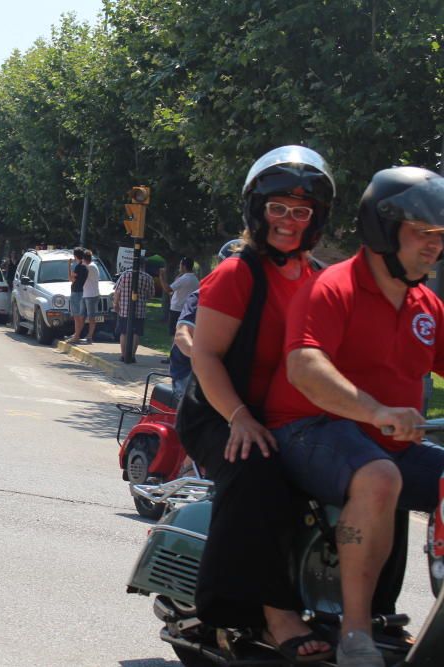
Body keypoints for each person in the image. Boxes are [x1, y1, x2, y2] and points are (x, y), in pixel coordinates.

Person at [265, 167, 444, 667]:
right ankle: (356, 635)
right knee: (379, 476)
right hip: (307, 431)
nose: (434, 246)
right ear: (384, 228)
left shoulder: (424, 303)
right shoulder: (332, 288)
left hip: (386, 442)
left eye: (441, 237)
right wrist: (377, 410)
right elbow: (305, 366)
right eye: (423, 233)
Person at [185, 145, 336, 662]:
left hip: (293, 417)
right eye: (278, 208)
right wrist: (239, 418)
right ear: (257, 210)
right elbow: (205, 357)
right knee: (259, 467)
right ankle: (271, 613)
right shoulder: (237, 274)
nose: (289, 221)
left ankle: (364, 611)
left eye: (302, 211)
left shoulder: (321, 279)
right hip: (220, 411)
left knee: (379, 472)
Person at [169, 242, 240, 400]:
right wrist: (208, 362)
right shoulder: (202, 296)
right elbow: (182, 336)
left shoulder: (246, 302)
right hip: (189, 373)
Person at [112, 264, 155, 361]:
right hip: (140, 310)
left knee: (124, 332)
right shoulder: (148, 278)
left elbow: (117, 291)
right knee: (136, 333)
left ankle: (123, 355)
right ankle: (132, 355)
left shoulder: (125, 274)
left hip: (124, 309)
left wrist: (115, 304)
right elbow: (151, 295)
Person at [164, 257, 200, 335]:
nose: (179, 267)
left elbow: (168, 289)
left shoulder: (184, 279)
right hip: (188, 309)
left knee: (174, 334)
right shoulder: (195, 279)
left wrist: (161, 277)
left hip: (176, 309)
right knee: (183, 334)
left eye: (180, 265)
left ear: (184, 266)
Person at [66, 247, 88, 343]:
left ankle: (76, 336)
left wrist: (69, 266)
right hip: (83, 291)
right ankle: (77, 334)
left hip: (76, 292)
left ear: (75, 256)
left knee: (76, 316)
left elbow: (71, 279)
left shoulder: (78, 267)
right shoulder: (85, 267)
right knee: (80, 316)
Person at [81, 250, 100, 343]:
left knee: (91, 317)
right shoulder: (90, 266)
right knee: (82, 316)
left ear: (84, 259)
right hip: (86, 294)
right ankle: (77, 334)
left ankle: (89, 337)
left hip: (91, 295)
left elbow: (79, 274)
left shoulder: (91, 267)